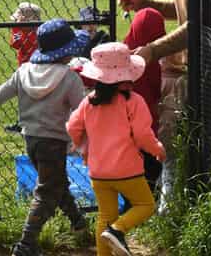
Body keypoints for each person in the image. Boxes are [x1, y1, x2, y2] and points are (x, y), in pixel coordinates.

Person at [0, 19, 88, 256]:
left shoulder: (24, 71)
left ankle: (79, 224)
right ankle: (26, 244)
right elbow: (82, 112)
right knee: (47, 191)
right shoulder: (70, 79)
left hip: (32, 141)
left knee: (56, 183)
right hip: (55, 141)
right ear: (67, 52)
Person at [118, 0, 188, 211]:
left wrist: (153, 50)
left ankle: (166, 209)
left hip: (194, 66)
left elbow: (197, 24)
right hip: (182, 65)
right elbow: (179, 8)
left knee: (171, 142)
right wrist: (145, 3)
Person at [66, 42, 167, 256]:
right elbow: (142, 134)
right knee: (145, 205)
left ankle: (108, 242)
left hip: (98, 171)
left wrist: (84, 149)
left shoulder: (89, 101)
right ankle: (118, 230)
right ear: (128, 73)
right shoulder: (133, 101)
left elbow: (72, 127)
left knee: (105, 216)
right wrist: (157, 148)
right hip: (127, 170)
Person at [121, 8, 167, 212]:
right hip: (150, 127)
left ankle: (130, 205)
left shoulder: (122, 56)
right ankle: (149, 205)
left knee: (128, 168)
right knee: (151, 168)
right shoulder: (159, 61)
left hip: (124, 127)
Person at [5, 2, 42, 133]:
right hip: (30, 68)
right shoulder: (37, 31)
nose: (15, 23)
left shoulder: (31, 34)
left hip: (31, 69)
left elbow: (15, 44)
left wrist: (15, 29)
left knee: (27, 96)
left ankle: (25, 123)